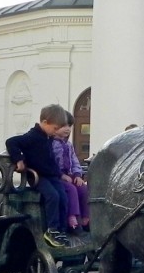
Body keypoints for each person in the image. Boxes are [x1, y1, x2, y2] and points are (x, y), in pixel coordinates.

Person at [6, 104, 70, 248]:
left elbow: (50, 159)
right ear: (45, 122)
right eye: (54, 128)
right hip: (38, 176)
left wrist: (59, 174)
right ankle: (51, 230)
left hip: (51, 175)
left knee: (63, 197)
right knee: (52, 196)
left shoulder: (48, 137)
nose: (56, 132)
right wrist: (19, 159)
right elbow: (11, 142)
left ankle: (61, 230)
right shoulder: (33, 136)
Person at [53, 111, 90, 234]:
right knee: (71, 189)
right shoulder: (50, 144)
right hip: (56, 176)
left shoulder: (68, 145)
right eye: (64, 126)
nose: (67, 129)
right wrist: (61, 175)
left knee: (82, 188)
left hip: (69, 175)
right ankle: (72, 216)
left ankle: (86, 216)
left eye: (69, 126)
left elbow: (74, 161)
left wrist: (78, 175)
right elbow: (50, 163)